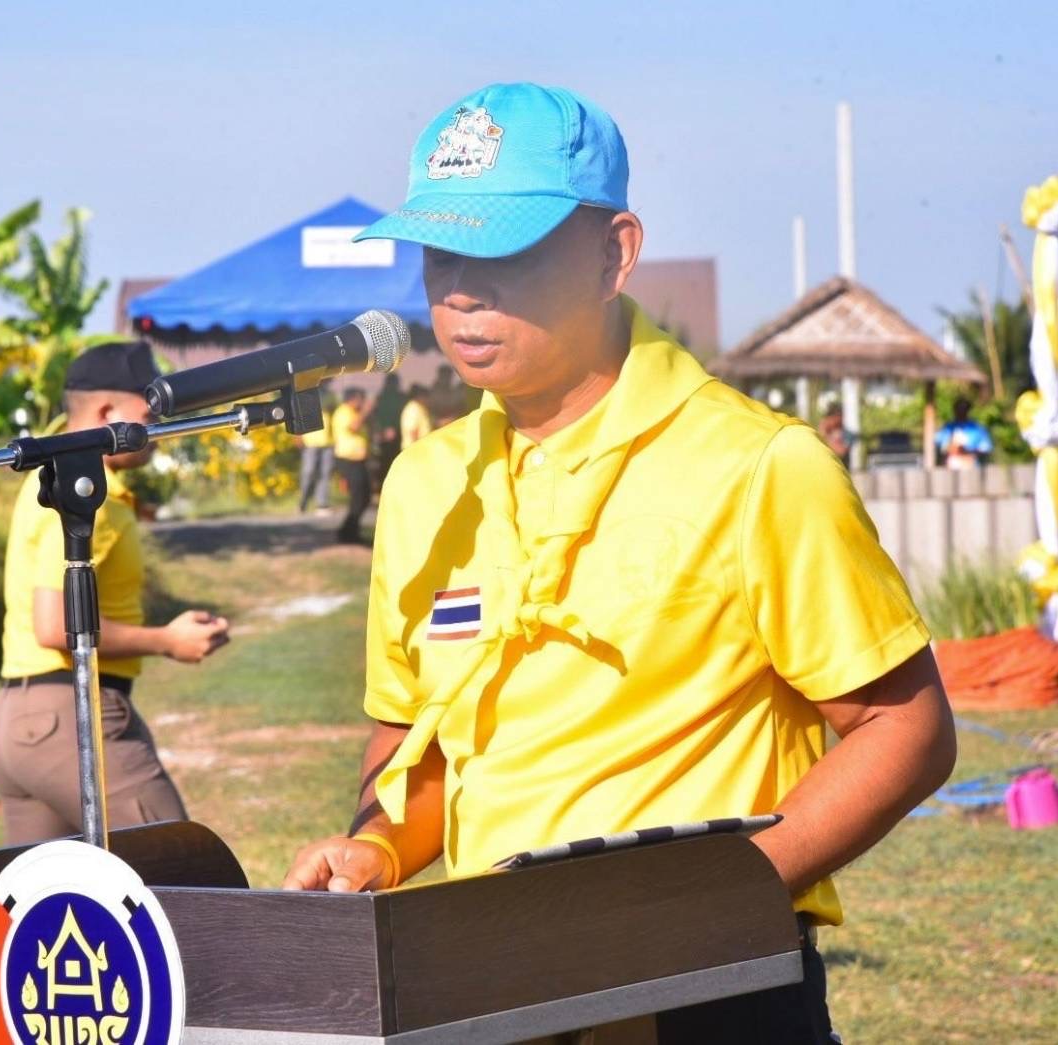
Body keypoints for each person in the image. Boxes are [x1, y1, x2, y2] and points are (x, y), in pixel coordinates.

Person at [282, 83, 955, 1042]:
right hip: (485, 985)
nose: (462, 289)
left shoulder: (758, 465)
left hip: (708, 996)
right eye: (440, 253)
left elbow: (905, 726)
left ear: (615, 253)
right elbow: (418, 746)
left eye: (503, 250)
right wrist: (377, 850)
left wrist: (700, 907)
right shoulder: (423, 485)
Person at [0, 341, 230, 844]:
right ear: (106, 412)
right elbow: (54, 626)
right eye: (152, 407)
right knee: (185, 879)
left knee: (46, 913)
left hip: (18, 724)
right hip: (68, 714)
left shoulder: (47, 476)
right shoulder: (82, 493)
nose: (162, 424)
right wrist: (167, 640)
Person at [330, 386, 373, 544]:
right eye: (360, 398)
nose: (362, 402)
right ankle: (348, 533)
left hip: (358, 460)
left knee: (365, 497)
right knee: (358, 498)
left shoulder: (353, 412)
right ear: (352, 399)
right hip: (348, 460)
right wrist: (366, 411)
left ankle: (351, 530)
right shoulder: (344, 412)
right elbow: (353, 427)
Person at [297, 392, 335, 515]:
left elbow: (333, 412)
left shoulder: (330, 394)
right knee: (308, 472)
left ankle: (322, 504)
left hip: (327, 442)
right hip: (310, 442)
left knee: (324, 473)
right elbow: (298, 416)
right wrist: (297, 436)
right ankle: (303, 501)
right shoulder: (305, 393)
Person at [937, 397, 993, 469]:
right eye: (958, 409)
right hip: (951, 467)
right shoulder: (948, 428)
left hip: (972, 467)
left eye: (963, 409)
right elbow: (942, 446)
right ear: (954, 410)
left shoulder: (977, 429)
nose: (961, 411)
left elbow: (985, 448)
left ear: (968, 410)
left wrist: (967, 452)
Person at [371, 373, 405, 488]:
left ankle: (384, 487)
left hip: (390, 434)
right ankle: (385, 487)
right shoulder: (398, 397)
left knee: (387, 462)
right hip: (389, 435)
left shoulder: (382, 397)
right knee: (388, 462)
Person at [399, 384, 433, 449]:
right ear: (420, 396)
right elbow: (413, 431)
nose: (428, 400)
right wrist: (416, 449)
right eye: (426, 397)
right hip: (414, 449)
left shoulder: (420, 407)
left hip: (419, 448)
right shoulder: (413, 408)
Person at [818, 403, 851, 467]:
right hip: (832, 455)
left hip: (840, 454)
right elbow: (823, 436)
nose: (842, 418)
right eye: (840, 415)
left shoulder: (838, 425)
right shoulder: (825, 423)